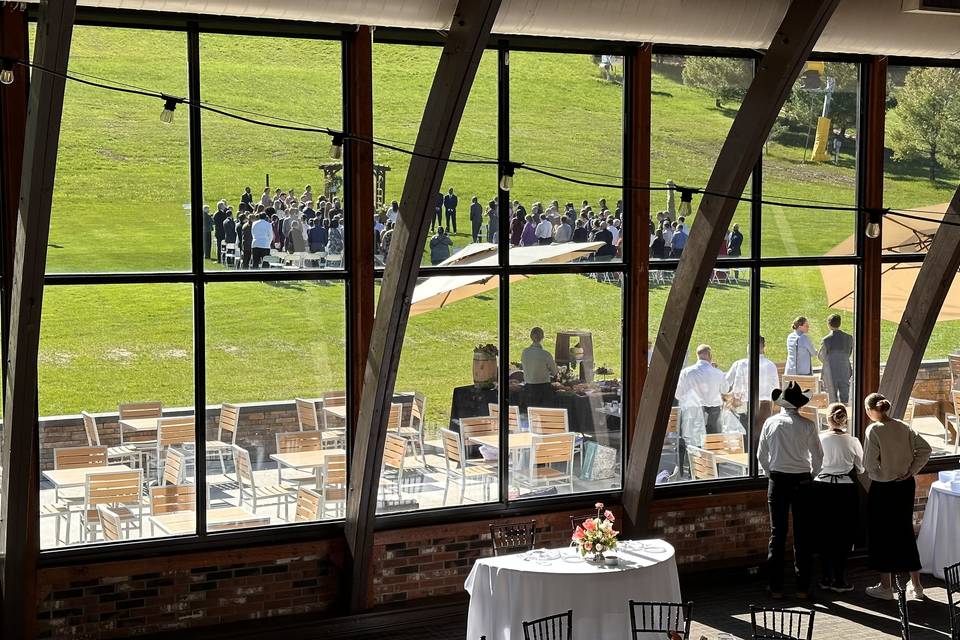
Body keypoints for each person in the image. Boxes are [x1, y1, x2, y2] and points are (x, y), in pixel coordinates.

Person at [757, 382, 824, 599]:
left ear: (782, 404)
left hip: (778, 480)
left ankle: (775, 588)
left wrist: (771, 474)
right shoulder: (808, 425)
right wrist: (812, 474)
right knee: (803, 535)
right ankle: (802, 588)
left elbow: (761, 456)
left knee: (777, 534)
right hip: (802, 481)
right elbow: (818, 456)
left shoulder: (770, 423)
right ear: (800, 405)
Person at [863, 392, 932, 601]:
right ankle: (917, 586)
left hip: (884, 488)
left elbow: (868, 464)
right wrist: (910, 470)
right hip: (905, 486)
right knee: (905, 531)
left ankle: (886, 587)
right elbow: (925, 450)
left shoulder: (873, 430)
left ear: (871, 410)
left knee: (883, 534)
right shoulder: (903, 426)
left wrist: (881, 475)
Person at [815, 403, 863, 594]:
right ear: (845, 420)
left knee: (824, 532)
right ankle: (840, 578)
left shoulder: (820, 439)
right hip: (845, 490)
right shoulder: (852, 441)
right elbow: (861, 468)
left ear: (827, 419)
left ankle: (825, 576)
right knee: (843, 535)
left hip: (822, 487)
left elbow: (814, 464)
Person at [726, 336, 781, 430]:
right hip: (765, 403)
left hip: (746, 402)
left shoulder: (742, 364)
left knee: (747, 432)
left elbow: (737, 386)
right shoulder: (770, 365)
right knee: (762, 432)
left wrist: (735, 399)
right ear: (763, 347)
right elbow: (776, 388)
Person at [675, 345, 727, 435]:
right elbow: (725, 390)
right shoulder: (718, 373)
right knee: (713, 441)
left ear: (697, 355)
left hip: (693, 410)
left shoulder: (686, 372)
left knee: (692, 440)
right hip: (713, 413)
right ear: (710, 355)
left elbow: (678, 394)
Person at [819, 314, 853, 404]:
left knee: (832, 399)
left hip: (830, 371)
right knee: (845, 397)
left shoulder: (826, 340)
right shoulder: (849, 338)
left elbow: (821, 356)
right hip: (844, 369)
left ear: (829, 324)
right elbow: (849, 352)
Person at [521, 327, 558, 408]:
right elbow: (555, 372)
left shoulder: (525, 352)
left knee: (530, 415)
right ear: (542, 337)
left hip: (528, 388)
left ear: (531, 337)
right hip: (543, 389)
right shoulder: (546, 354)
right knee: (544, 414)